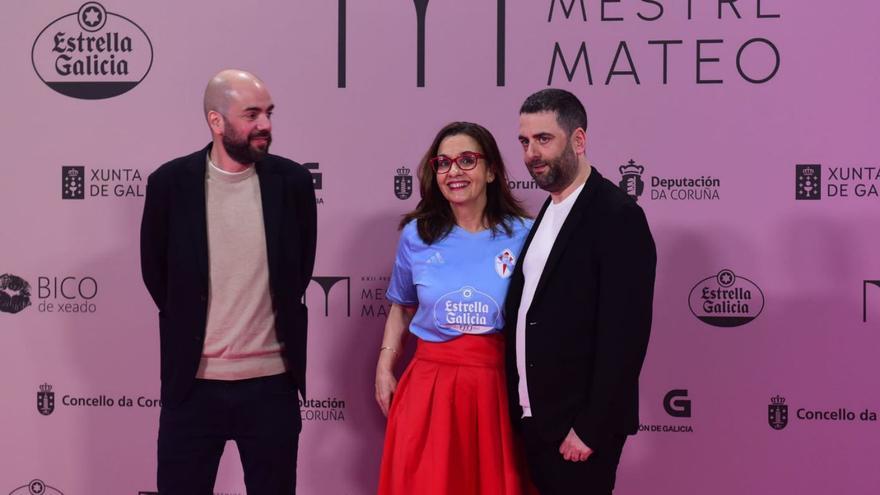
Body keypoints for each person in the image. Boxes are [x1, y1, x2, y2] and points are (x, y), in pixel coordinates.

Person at [140, 69, 316, 494]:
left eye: (269, 113)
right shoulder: (169, 184)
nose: (266, 125)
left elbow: (299, 272)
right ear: (216, 122)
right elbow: (156, 276)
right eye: (252, 114)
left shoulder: (292, 183)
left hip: (272, 386)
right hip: (192, 388)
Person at [504, 88, 656, 494]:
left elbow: (626, 336)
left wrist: (591, 428)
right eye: (525, 141)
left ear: (579, 140)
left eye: (544, 139)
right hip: (536, 420)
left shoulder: (617, 216)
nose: (532, 153)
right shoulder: (548, 211)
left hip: (580, 430)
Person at [375, 122, 534, 495]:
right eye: (443, 163)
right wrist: (385, 366)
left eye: (466, 160)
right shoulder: (418, 235)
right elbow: (401, 306)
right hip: (429, 390)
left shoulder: (526, 233)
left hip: (496, 388)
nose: (453, 172)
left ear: (491, 170)